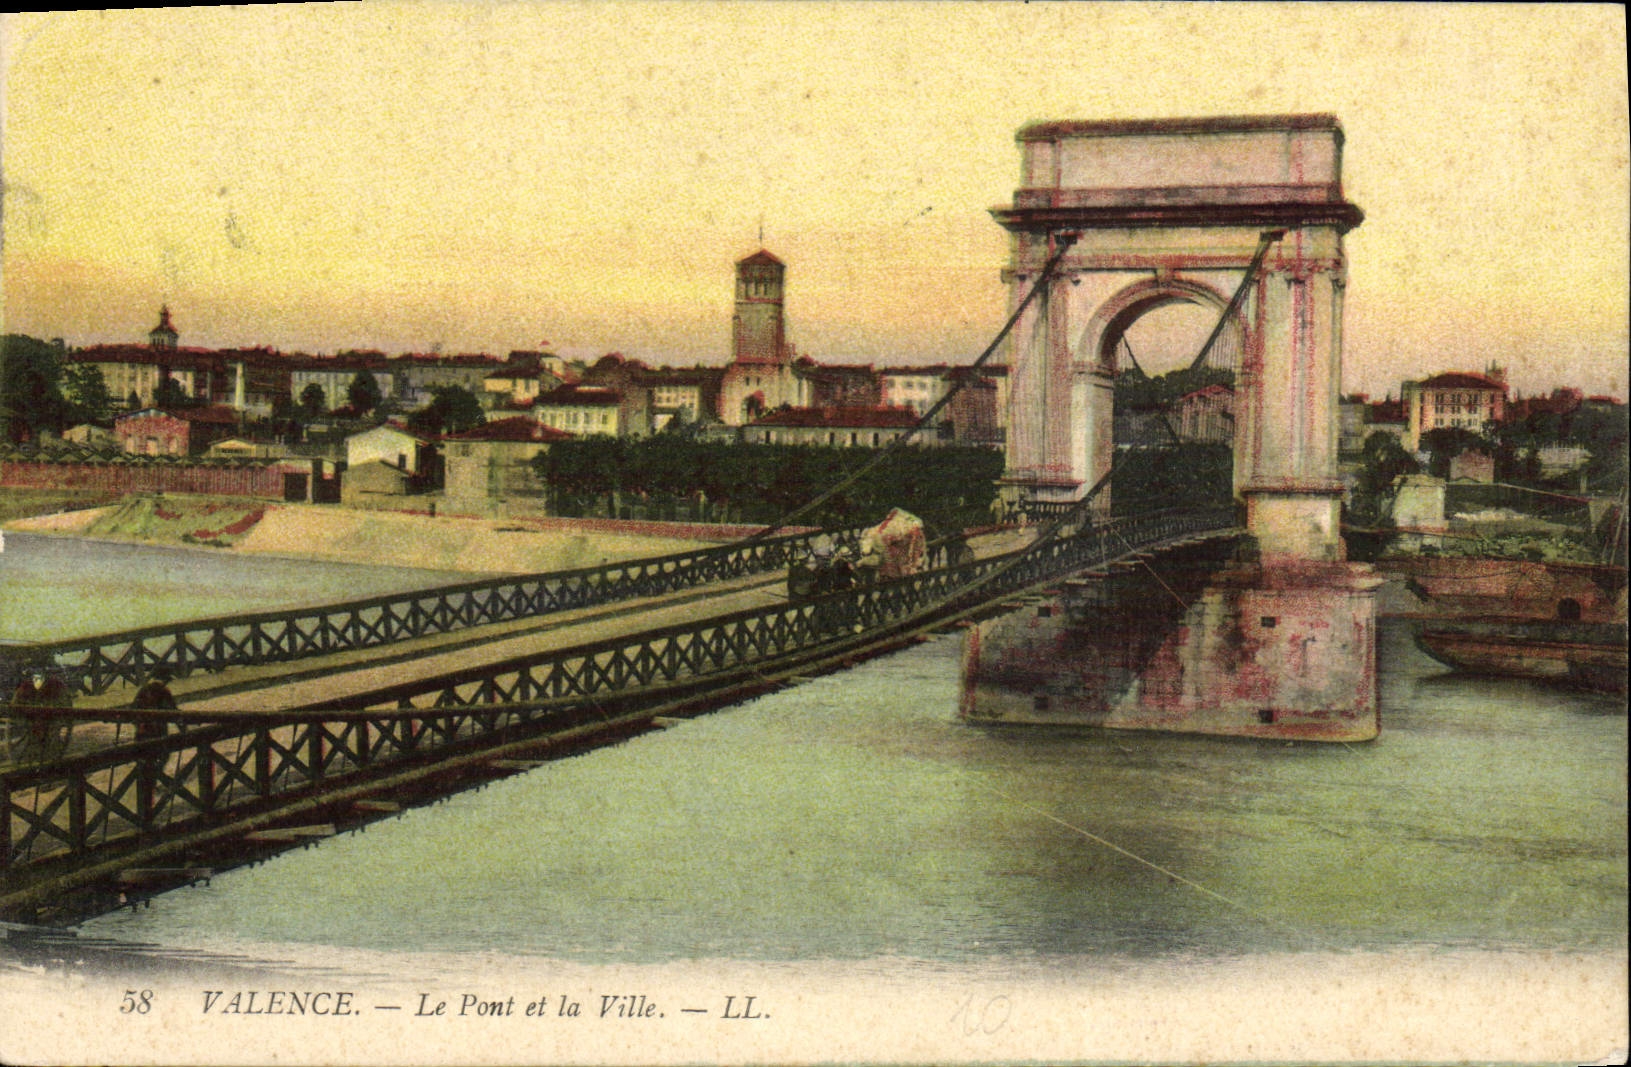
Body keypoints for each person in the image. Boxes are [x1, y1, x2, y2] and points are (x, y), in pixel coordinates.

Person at [7, 661, 74, 763]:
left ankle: (47, 755)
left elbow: (64, 705)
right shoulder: (25, 688)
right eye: (35, 678)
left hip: (50, 719)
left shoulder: (55, 686)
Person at [131, 668, 178, 742]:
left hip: (142, 730)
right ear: (166, 680)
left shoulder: (143, 689)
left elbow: (133, 708)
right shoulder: (164, 690)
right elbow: (174, 711)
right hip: (158, 730)